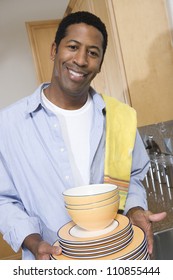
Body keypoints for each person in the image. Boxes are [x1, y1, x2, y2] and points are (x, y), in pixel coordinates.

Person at [0, 11, 166, 260]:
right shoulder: (8, 124)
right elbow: (3, 200)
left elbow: (132, 178)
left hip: (116, 255)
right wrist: (33, 242)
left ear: (100, 64)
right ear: (54, 49)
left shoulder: (120, 117)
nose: (80, 59)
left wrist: (135, 208)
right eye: (73, 47)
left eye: (92, 52)